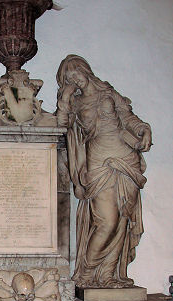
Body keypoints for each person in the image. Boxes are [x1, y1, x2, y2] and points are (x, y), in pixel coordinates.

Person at [56, 55, 152, 288]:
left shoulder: (107, 92)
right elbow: (60, 126)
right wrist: (65, 98)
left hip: (125, 155)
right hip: (98, 160)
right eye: (68, 79)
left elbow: (128, 118)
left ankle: (108, 275)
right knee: (106, 221)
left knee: (122, 220)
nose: (74, 80)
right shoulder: (76, 103)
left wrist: (144, 130)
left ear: (84, 70)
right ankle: (86, 274)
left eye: (75, 73)